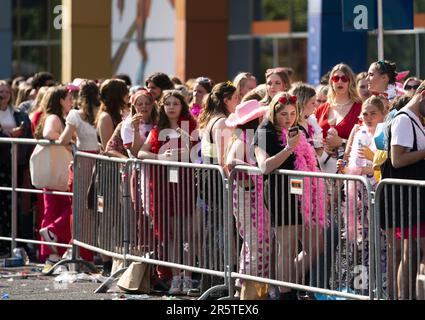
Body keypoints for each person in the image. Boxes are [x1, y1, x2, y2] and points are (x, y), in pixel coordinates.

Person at [253, 92, 326, 300]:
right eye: (284, 114)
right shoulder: (264, 131)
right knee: (287, 247)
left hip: (302, 194)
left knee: (315, 245)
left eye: (293, 113)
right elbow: (264, 166)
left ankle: (286, 284)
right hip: (280, 193)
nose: (289, 118)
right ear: (274, 113)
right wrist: (288, 148)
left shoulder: (296, 129)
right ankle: (285, 292)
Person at [138, 90, 197, 296]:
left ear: (182, 106)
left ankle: (188, 278)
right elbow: (141, 153)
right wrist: (160, 157)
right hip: (164, 185)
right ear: (162, 107)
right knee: (171, 236)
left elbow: (201, 153)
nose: (171, 107)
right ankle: (175, 279)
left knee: (187, 235)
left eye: (176, 103)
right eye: (167, 104)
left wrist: (185, 153)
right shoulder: (157, 129)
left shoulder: (191, 126)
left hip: (185, 184)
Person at [335, 96, 388, 294]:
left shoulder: (386, 133)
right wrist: (345, 169)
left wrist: (370, 163)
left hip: (378, 194)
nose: (368, 117)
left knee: (381, 243)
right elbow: (355, 167)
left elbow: (384, 165)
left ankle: (381, 289)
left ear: (383, 114)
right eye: (365, 113)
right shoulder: (359, 132)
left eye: (373, 113)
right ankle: (361, 289)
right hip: (358, 196)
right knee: (359, 244)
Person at [379, 80, 425, 299]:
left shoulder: (415, 119)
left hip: (415, 200)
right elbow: (397, 159)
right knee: (410, 256)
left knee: (412, 255)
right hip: (409, 200)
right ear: (423, 95)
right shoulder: (404, 120)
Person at [224, 99, 270, 300]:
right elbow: (231, 163)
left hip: (252, 198)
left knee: (255, 243)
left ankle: (243, 288)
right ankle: (247, 291)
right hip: (248, 199)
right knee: (257, 243)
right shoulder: (244, 139)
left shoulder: (247, 137)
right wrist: (250, 185)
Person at [34, 86, 73, 270]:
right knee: (64, 209)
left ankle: (53, 254)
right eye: (68, 98)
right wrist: (68, 143)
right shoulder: (54, 117)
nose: (71, 101)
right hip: (56, 172)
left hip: (55, 172)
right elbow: (48, 134)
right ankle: (53, 239)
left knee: (55, 210)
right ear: (60, 100)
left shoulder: (54, 117)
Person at [0, 80, 33, 258]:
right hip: (2, 164)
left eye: (6, 91)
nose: (3, 94)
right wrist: (8, 135)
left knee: (16, 203)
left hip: (16, 163)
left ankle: (14, 242)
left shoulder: (18, 113)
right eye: (0, 91)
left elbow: (28, 133)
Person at [315, 63, 362, 173]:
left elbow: (366, 139)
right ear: (331, 82)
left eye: (344, 78)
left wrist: (342, 142)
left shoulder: (359, 108)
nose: (340, 81)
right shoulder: (321, 108)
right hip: (322, 167)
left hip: (349, 167)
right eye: (336, 78)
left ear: (350, 82)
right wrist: (321, 146)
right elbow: (312, 137)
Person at [95, 79, 129, 151]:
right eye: (125, 92)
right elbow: (108, 149)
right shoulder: (106, 117)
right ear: (116, 96)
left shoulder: (118, 114)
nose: (128, 95)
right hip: (113, 161)